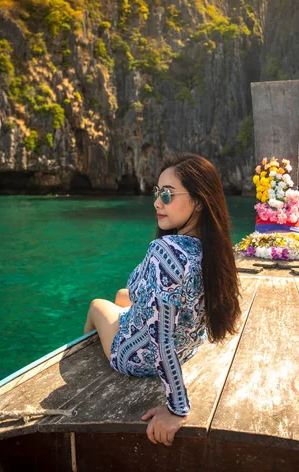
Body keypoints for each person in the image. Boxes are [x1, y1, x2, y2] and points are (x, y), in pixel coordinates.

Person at [84, 152, 242, 446]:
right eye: (157, 193)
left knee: (97, 305)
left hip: (138, 356)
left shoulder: (166, 251)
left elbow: (161, 337)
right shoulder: (213, 248)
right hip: (187, 348)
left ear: (197, 200)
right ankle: (120, 322)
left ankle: (83, 364)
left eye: (167, 195)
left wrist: (176, 409)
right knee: (122, 295)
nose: (157, 202)